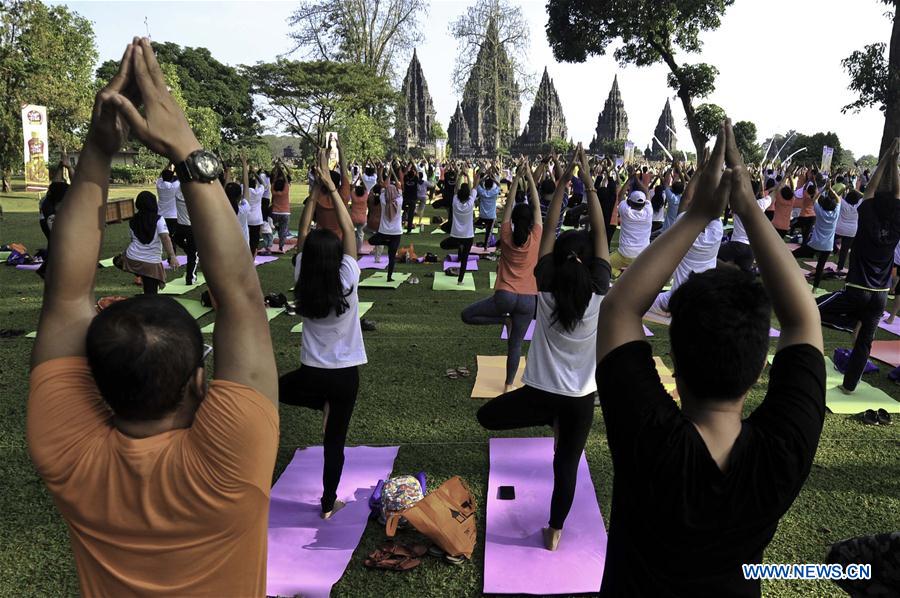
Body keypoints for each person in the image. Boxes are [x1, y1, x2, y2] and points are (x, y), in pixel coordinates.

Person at [27, 38, 279, 596]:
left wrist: (97, 150)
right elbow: (239, 292)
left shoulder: (66, 451)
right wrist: (183, 145)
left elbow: (66, 295)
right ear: (199, 382)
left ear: (96, 382)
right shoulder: (228, 463)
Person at [595, 120, 825, 597]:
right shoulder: (779, 456)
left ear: (673, 359)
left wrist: (698, 214)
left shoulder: (649, 439)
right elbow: (804, 319)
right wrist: (748, 208)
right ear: (763, 366)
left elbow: (618, 306)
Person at [477, 144, 610, 551]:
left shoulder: (546, 285)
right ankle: (555, 533)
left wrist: (566, 179)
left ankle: (549, 422)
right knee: (566, 464)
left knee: (487, 417)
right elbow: (602, 234)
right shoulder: (601, 290)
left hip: (540, 395)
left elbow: (545, 229)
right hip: (580, 399)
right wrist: (588, 185)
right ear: (590, 264)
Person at [282, 150, 366, 519]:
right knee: (335, 443)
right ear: (337, 258)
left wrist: (316, 191)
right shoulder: (348, 276)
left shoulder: (302, 275)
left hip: (312, 374)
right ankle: (328, 503)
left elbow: (302, 232)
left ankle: (320, 404)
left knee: (269, 388)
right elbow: (348, 230)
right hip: (344, 376)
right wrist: (333, 189)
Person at [817, 138, 900, 392]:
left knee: (809, 309)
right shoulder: (896, 223)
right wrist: (895, 162)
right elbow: (897, 193)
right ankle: (850, 385)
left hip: (856, 289)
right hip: (879, 296)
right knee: (866, 341)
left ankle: (848, 322)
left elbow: (873, 188)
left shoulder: (866, 216)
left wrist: (886, 158)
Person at [462, 159, 542, 390]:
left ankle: (502, 319)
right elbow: (536, 207)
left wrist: (516, 179)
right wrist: (529, 178)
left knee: (467, 315)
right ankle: (508, 385)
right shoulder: (536, 236)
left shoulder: (505, 234)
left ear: (515, 221)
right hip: (529, 300)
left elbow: (507, 207)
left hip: (505, 295)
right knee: (515, 344)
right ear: (530, 223)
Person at [649, 165, 724, 315]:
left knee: (634, 302)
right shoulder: (717, 231)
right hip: (704, 298)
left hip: (678, 298)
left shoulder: (683, 228)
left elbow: (687, 198)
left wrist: (699, 170)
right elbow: (716, 208)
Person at [114, 190, 178, 294]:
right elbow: (165, 238)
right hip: (151, 263)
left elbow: (133, 240)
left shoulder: (133, 220)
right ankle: (142, 276)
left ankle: (140, 274)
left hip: (132, 258)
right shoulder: (159, 219)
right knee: (151, 294)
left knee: (117, 260)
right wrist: (172, 256)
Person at [793, 181, 841, 289]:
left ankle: (788, 274)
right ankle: (815, 288)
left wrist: (824, 189)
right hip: (827, 246)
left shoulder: (819, 211)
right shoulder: (835, 214)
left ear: (823, 205)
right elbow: (838, 200)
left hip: (815, 243)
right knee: (820, 267)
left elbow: (814, 199)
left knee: (793, 255)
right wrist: (831, 189)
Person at [717, 178, 771, 272]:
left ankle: (733, 268)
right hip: (751, 249)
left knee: (711, 258)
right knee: (742, 276)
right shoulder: (761, 204)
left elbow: (729, 192)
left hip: (737, 244)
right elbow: (774, 194)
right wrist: (786, 176)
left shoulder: (738, 203)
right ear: (757, 192)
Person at [609, 174, 652, 277]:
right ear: (643, 203)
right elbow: (646, 192)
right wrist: (637, 179)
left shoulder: (625, 211)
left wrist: (629, 179)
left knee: (604, 265)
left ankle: (619, 273)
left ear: (629, 202)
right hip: (642, 255)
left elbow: (620, 197)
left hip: (624, 253)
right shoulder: (649, 211)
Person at [368, 162, 404, 281]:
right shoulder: (399, 201)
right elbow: (399, 186)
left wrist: (387, 174)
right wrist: (395, 178)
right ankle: (389, 277)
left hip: (383, 232)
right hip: (396, 233)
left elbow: (383, 185)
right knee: (391, 256)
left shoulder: (383, 200)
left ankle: (387, 244)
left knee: (371, 241)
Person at [440, 172, 478, 285]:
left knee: (443, 245)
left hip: (456, 235)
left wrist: (460, 176)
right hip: (468, 236)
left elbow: (456, 188)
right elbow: (474, 187)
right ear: (468, 195)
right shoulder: (470, 203)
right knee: (465, 259)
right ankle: (460, 280)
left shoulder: (455, 201)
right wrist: (468, 176)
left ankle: (459, 246)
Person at [834, 188, 863, 275]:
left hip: (840, 229)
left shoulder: (843, 204)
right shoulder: (858, 205)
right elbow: (864, 195)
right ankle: (839, 268)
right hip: (851, 231)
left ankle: (835, 250)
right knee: (844, 250)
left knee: (829, 240)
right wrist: (854, 189)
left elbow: (835, 194)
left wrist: (845, 188)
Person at [242, 154, 265, 257]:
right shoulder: (258, 192)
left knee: (247, 238)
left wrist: (246, 170)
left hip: (246, 218)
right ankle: (253, 258)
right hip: (257, 220)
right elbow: (263, 183)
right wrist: (255, 173)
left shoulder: (244, 189)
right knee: (255, 241)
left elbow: (244, 182)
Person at [475, 168, 500, 248]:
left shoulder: (482, 192)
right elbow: (498, 185)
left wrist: (485, 177)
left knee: (483, 228)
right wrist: (492, 178)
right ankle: (486, 246)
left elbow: (478, 183)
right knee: (489, 232)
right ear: (492, 185)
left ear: (485, 184)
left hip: (482, 215)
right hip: (491, 216)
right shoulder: (494, 192)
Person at [271, 161, 292, 252]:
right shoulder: (285, 190)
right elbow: (286, 180)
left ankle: (269, 242)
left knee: (270, 226)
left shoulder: (273, 191)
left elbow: (274, 180)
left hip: (275, 213)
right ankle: (281, 246)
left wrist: (277, 167)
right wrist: (281, 166)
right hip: (285, 213)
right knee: (283, 231)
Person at [156, 164, 180, 233]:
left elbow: (161, 175)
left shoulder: (159, 184)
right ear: (172, 179)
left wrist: (168, 165)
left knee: (164, 234)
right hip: (173, 216)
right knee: (173, 236)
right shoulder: (175, 186)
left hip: (161, 215)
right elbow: (179, 177)